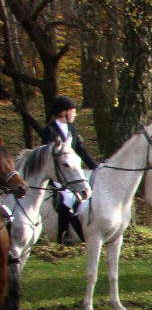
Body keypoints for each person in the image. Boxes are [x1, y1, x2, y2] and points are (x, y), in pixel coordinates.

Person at [40, 96, 97, 246]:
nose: (75, 114)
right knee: (66, 197)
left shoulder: (72, 129)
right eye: (73, 111)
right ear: (64, 112)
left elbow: (82, 151)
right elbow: (48, 156)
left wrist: (96, 167)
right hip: (56, 174)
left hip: (71, 171)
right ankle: (63, 233)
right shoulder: (49, 130)